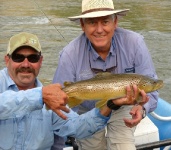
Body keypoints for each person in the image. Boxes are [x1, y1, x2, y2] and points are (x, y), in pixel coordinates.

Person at [0, 32, 147, 150]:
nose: (26, 64)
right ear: (7, 60)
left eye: (33, 58)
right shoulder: (44, 94)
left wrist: (110, 105)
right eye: (18, 58)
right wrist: (40, 96)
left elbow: (77, 126)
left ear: (40, 61)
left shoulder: (51, 98)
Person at [53, 0, 159, 149]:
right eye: (92, 23)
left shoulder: (135, 43)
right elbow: (61, 109)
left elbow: (153, 92)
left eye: (105, 22)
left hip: (124, 107)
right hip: (88, 112)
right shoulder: (69, 54)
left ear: (115, 22)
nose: (99, 29)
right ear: (83, 26)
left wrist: (142, 108)